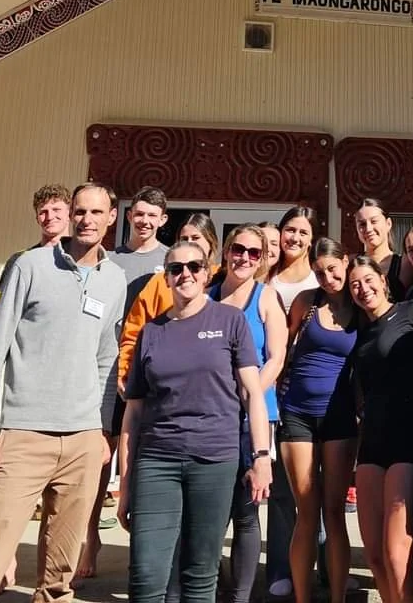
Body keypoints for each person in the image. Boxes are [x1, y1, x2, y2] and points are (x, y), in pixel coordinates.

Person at [0, 184, 125, 603]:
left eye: (97, 212)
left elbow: (106, 359)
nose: (87, 220)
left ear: (111, 217)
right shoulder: (30, 266)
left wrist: (100, 430)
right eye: (80, 211)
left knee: (59, 574)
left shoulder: (115, 279)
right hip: (23, 435)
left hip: (82, 439)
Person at [118, 239, 272, 603]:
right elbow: (133, 414)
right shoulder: (151, 332)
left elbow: (252, 394)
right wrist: (125, 486)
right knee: (145, 574)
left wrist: (262, 456)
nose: (185, 274)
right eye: (176, 269)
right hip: (157, 460)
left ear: (206, 274)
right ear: (167, 278)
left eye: (194, 267)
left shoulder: (230, 321)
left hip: (215, 458)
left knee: (200, 574)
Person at [77, 185, 171, 583]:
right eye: (140, 213)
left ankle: (146, 545)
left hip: (150, 376)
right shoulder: (110, 260)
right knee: (99, 457)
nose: (145, 220)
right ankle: (88, 539)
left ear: (164, 220)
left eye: (153, 215)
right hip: (106, 373)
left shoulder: (174, 262)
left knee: (146, 462)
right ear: (127, 216)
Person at [0, 183, 72, 593]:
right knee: (1, 504)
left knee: (60, 515)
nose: (50, 216)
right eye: (43, 211)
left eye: (57, 209)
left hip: (68, 412)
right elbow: (1, 332)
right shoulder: (21, 262)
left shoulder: (84, 266)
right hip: (20, 409)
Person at [349, 254, 413, 603]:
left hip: (409, 438)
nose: (363, 288)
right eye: (355, 283)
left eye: (368, 280)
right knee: (374, 557)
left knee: (396, 554)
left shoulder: (410, 312)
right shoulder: (359, 331)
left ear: (383, 281)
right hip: (371, 442)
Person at [277, 237, 359, 603]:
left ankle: (338, 597)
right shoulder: (306, 303)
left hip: (340, 418)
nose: (327, 277)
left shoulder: (362, 306)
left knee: (334, 513)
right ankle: (302, 597)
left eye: (333, 269)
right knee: (305, 512)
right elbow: (282, 352)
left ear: (347, 262)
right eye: (320, 272)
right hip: (297, 414)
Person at [212, 225, 288, 603]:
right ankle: (208, 586)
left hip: (253, 418)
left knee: (245, 510)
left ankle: (240, 596)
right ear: (227, 252)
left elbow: (276, 356)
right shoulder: (206, 294)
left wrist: (252, 392)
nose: (244, 257)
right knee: (210, 510)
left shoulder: (266, 297)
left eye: (254, 253)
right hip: (210, 415)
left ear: (261, 259)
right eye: (238, 249)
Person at [266, 205, 320, 598]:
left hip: (315, 395)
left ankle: (321, 566)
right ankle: (280, 569)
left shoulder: (322, 279)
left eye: (302, 232)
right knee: (284, 487)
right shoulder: (265, 277)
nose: (295, 238)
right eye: (289, 230)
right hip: (274, 392)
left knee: (317, 485)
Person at [118, 213, 221, 390]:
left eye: (196, 237)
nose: (190, 242)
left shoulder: (223, 278)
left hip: (211, 385)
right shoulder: (161, 281)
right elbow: (134, 333)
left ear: (211, 242)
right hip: (162, 382)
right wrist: (125, 372)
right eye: (184, 238)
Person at [354, 197, 413, 300]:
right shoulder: (352, 265)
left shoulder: (405, 265)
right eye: (362, 224)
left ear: (388, 223)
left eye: (374, 221)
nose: (368, 229)